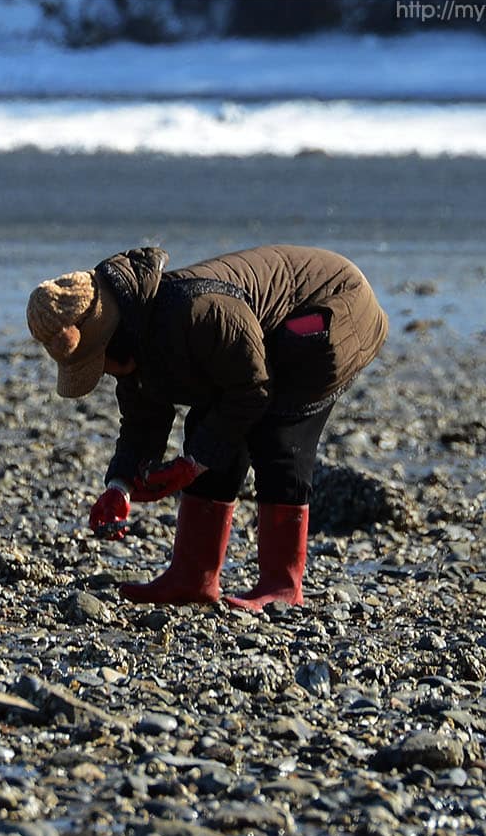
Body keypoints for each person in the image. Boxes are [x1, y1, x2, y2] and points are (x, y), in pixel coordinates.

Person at [25, 245, 388, 609]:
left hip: (335, 307)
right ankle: (192, 579)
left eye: (100, 364)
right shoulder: (134, 333)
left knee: (276, 435)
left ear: (113, 341)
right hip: (258, 342)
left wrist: (193, 464)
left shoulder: (199, 311)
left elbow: (252, 389)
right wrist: (120, 486)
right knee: (208, 426)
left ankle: (283, 585)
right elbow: (143, 421)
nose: (104, 373)